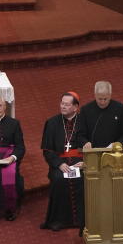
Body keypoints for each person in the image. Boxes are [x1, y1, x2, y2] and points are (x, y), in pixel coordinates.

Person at [40, 91, 85, 231]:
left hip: (80, 161)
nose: (63, 106)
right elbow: (47, 150)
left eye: (67, 104)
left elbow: (93, 145)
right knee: (59, 179)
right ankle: (58, 221)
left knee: (83, 178)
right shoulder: (52, 123)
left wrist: (86, 162)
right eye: (62, 103)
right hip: (60, 163)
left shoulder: (85, 122)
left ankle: (83, 220)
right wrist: (59, 164)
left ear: (75, 107)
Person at [74, 81, 123, 149]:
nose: (102, 102)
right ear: (95, 95)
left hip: (115, 152)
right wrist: (85, 143)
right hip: (93, 153)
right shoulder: (86, 110)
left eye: (105, 99)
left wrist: (119, 144)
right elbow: (79, 135)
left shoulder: (121, 109)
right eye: (100, 99)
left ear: (110, 95)